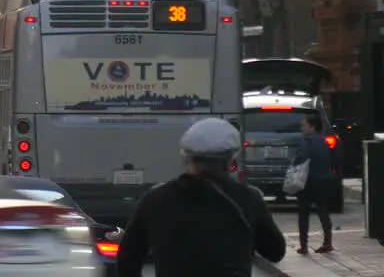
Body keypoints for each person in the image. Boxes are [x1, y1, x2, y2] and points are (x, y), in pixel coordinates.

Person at [115, 118, 285, 277]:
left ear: (185, 157)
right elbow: (275, 251)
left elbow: (127, 259)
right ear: (231, 159)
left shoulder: (155, 199)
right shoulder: (249, 198)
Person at [293, 113, 335, 254]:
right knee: (323, 211)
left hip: (307, 181)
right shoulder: (325, 141)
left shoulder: (306, 141)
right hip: (324, 180)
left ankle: (304, 245)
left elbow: (300, 158)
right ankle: (327, 242)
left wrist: (293, 164)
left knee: (303, 214)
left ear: (311, 126)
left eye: (304, 125)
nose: (302, 128)